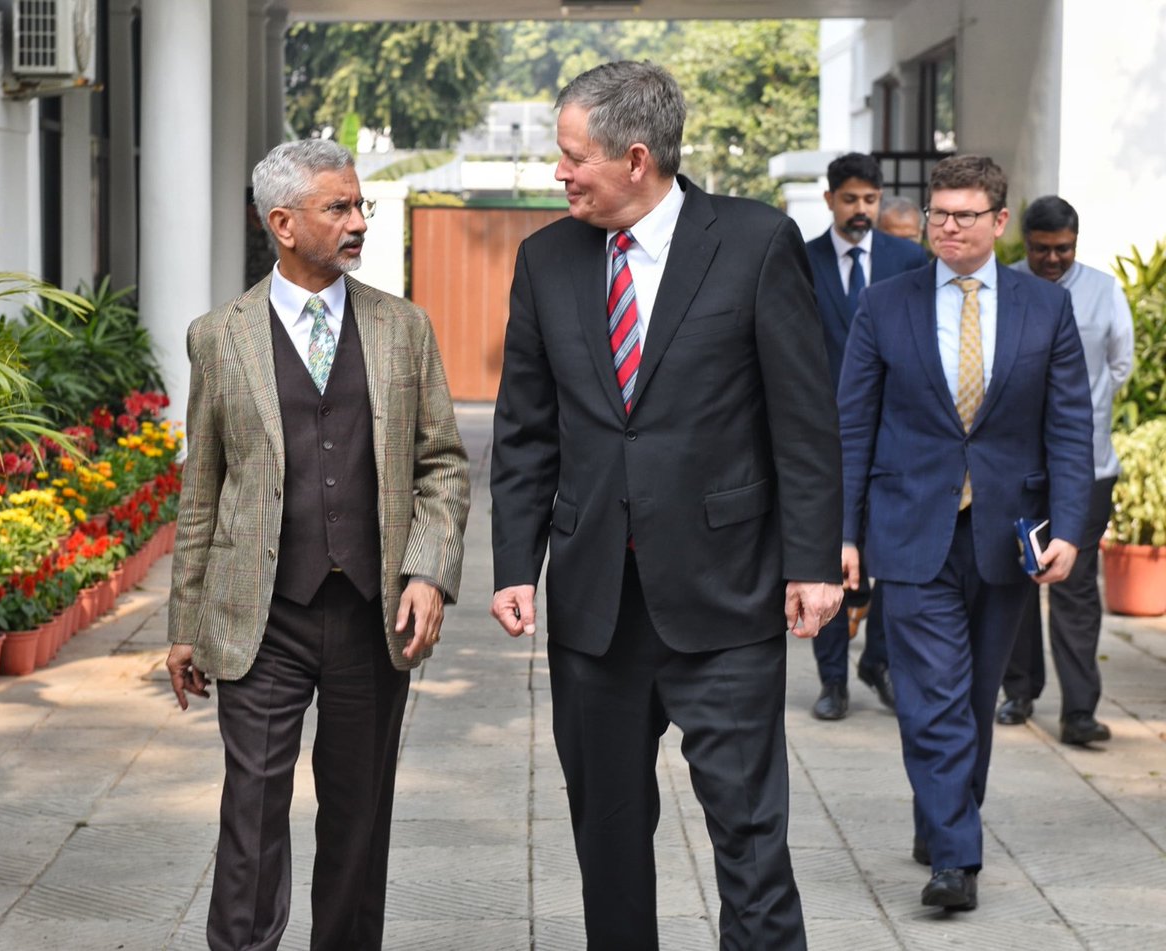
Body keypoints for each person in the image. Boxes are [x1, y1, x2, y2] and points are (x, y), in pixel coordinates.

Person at [489, 61, 844, 950]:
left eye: (573, 158)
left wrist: (812, 560)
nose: (559, 174)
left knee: (751, 838)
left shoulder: (759, 242)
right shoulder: (545, 261)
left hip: (727, 597)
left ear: (636, 157)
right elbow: (526, 430)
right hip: (595, 609)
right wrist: (513, 567)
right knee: (606, 842)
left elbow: (804, 419)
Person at [165, 139, 470, 951]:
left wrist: (429, 573)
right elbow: (203, 489)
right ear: (283, 223)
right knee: (251, 817)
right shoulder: (218, 337)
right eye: (338, 207)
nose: (358, 220)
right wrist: (185, 622)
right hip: (261, 617)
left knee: (358, 819)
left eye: (359, 203)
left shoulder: (403, 328)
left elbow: (442, 463)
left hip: (373, 617)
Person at [839, 155, 1093, 912]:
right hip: (911, 529)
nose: (947, 226)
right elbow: (850, 426)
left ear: (997, 222)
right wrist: (841, 533)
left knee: (976, 697)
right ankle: (957, 857)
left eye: (964, 214)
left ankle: (941, 815)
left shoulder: (1044, 309)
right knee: (932, 695)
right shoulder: (885, 306)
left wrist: (1071, 531)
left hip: (1007, 534)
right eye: (937, 213)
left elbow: (1071, 426)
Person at [997, 196, 1134, 744]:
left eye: (1063, 250)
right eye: (1040, 250)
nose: (1052, 260)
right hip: (1017, 468)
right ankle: (1019, 690)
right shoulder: (1003, 288)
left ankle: (1079, 711)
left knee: (1076, 589)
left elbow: (1119, 364)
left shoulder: (1103, 292)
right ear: (1024, 241)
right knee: (1018, 581)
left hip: (1088, 466)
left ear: (1076, 242)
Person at [804, 152, 927, 720]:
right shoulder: (800, 262)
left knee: (889, 556)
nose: (860, 210)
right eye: (850, 199)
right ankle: (833, 681)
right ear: (830, 199)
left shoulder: (909, 260)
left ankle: (876, 659)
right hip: (822, 438)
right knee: (827, 554)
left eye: (870, 200)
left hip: (895, 434)